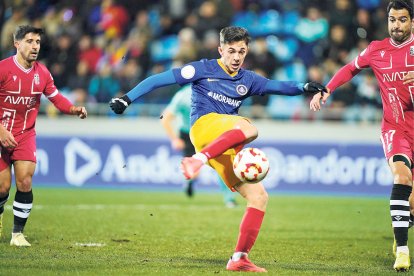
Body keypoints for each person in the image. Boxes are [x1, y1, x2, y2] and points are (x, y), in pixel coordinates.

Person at [110, 26, 326, 272]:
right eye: (231, 51)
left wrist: (304, 86)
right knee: (250, 128)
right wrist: (126, 98)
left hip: (222, 144)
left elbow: (278, 86)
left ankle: (239, 258)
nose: (236, 57)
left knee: (259, 197)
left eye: (241, 51)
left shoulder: (248, 80)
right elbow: (159, 79)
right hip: (203, 129)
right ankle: (197, 160)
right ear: (220, 49)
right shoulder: (203, 68)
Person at [310, 0, 413, 272]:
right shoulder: (377, 50)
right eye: (393, 19)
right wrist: (328, 89)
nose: (397, 25)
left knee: (411, 204)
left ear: (412, 21)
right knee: (401, 177)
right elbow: (350, 68)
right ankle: (402, 251)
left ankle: (405, 220)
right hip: (395, 128)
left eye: (402, 20)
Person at [0, 26, 87, 247]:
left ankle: (17, 234)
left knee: (25, 181)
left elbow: (57, 98)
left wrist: (73, 109)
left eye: (37, 42)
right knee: (2, 187)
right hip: (0, 132)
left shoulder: (43, 73)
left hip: (25, 134)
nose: (35, 46)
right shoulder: (3, 69)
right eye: (29, 41)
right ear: (17, 44)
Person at [161, 84, 238, 207]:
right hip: (189, 134)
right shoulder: (183, 96)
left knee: (221, 164)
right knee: (195, 170)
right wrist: (175, 139)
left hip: (210, 132)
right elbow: (165, 117)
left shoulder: (212, 91)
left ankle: (229, 198)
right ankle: (191, 182)